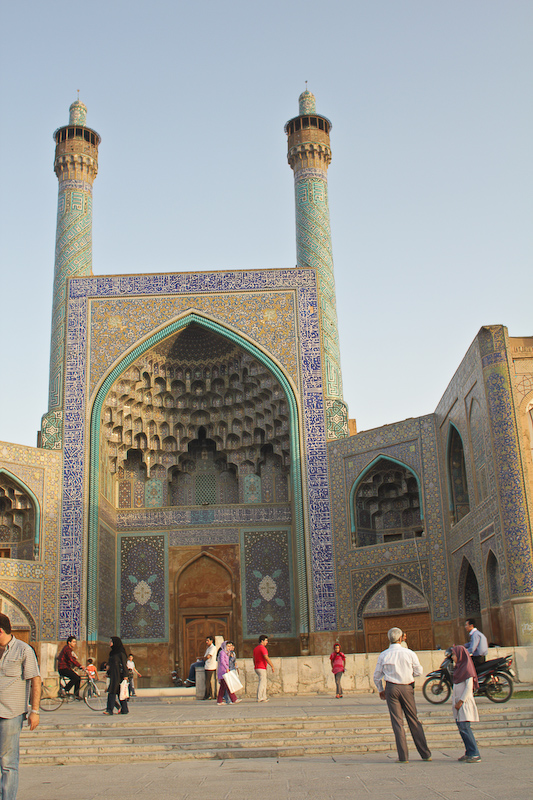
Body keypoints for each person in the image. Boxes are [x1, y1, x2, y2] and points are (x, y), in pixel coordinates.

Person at [374, 627, 432, 763]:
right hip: (407, 688)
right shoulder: (409, 653)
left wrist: (380, 689)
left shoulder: (384, 655)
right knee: (413, 719)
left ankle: (403, 757)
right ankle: (425, 754)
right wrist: (408, 674)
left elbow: (377, 676)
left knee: (397, 723)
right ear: (400, 638)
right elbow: (418, 671)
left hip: (391, 688)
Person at [0, 613, 41, 800]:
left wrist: (35, 711)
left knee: (8, 762)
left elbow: (36, 680)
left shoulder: (23, 650)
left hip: (11, 713)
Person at [451, 645, 481, 762]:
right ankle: (469, 752)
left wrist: (461, 701)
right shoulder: (459, 668)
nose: (452, 657)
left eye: (454, 654)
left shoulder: (467, 669)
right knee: (462, 728)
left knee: (465, 728)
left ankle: (475, 753)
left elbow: (469, 687)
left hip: (464, 703)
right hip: (459, 703)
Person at [104, 637, 129, 715]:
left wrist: (125, 675)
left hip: (119, 675)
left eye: (111, 641)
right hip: (113, 674)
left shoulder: (121, 653)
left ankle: (109, 709)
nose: (110, 643)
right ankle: (124, 709)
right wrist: (108, 673)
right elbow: (111, 665)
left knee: (112, 691)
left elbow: (124, 665)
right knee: (119, 692)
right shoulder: (112, 653)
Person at [253, 634, 274, 703]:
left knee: (263, 682)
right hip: (261, 667)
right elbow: (266, 657)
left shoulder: (255, 648)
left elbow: (254, 658)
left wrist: (255, 665)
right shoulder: (262, 648)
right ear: (262, 641)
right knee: (262, 682)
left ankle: (264, 697)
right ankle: (259, 697)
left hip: (257, 667)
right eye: (266, 640)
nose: (267, 642)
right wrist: (272, 665)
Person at [203, 636, 217, 700]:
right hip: (207, 665)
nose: (206, 642)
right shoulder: (208, 648)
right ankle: (210, 694)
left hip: (210, 666)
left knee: (207, 681)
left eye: (208, 641)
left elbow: (208, 656)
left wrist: (203, 658)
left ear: (211, 641)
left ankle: (207, 694)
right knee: (208, 681)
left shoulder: (213, 648)